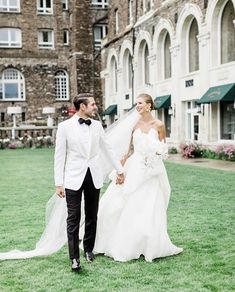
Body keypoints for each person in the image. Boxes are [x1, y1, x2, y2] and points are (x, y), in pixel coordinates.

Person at [93, 93, 183, 262]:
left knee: (150, 206)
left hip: (153, 170)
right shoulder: (133, 124)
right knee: (121, 204)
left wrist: (157, 154)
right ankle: (124, 241)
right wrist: (120, 170)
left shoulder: (159, 125)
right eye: (137, 104)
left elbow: (164, 148)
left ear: (149, 105)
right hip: (134, 167)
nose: (138, 106)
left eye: (140, 103)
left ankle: (149, 243)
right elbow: (128, 151)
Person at [54, 93, 125, 271]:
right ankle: (74, 259)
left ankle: (88, 249)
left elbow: (107, 148)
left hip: (93, 175)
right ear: (82, 107)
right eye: (92, 104)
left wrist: (120, 169)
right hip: (72, 178)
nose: (95, 107)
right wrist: (58, 182)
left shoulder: (96, 125)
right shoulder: (64, 127)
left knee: (92, 215)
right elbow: (59, 156)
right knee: (73, 218)